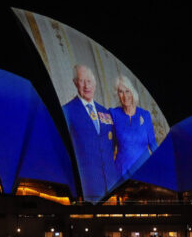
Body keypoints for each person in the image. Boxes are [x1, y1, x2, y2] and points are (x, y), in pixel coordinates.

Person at [63, 65, 118, 203]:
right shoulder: (67, 111)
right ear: (75, 83)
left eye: (89, 81)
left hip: (111, 186)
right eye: (82, 81)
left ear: (95, 83)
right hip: (86, 188)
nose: (86, 85)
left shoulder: (105, 112)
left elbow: (111, 147)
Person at [109, 75, 158, 178]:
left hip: (144, 169)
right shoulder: (113, 114)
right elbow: (110, 146)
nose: (125, 96)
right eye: (121, 92)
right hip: (122, 172)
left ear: (132, 92)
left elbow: (153, 144)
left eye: (127, 91)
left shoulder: (145, 115)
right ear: (117, 94)